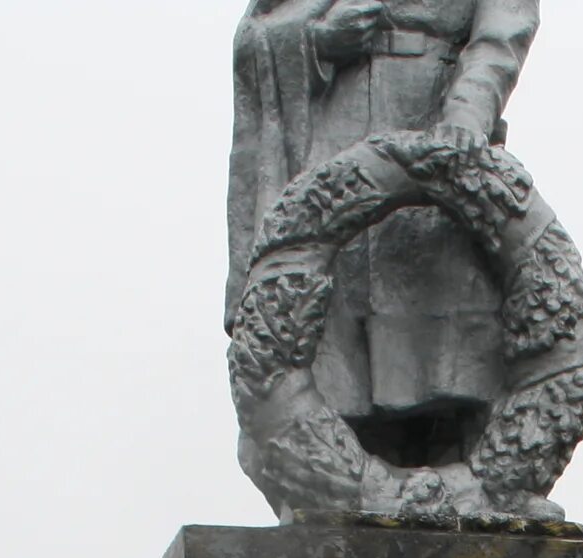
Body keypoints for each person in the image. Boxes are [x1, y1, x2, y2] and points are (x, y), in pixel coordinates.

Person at [229, 0, 540, 466]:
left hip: (436, 119)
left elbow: (504, 29)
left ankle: (468, 472)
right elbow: (258, 35)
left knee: (447, 321)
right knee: (335, 324)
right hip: (333, 127)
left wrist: (467, 115)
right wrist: (317, 43)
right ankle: (334, 472)